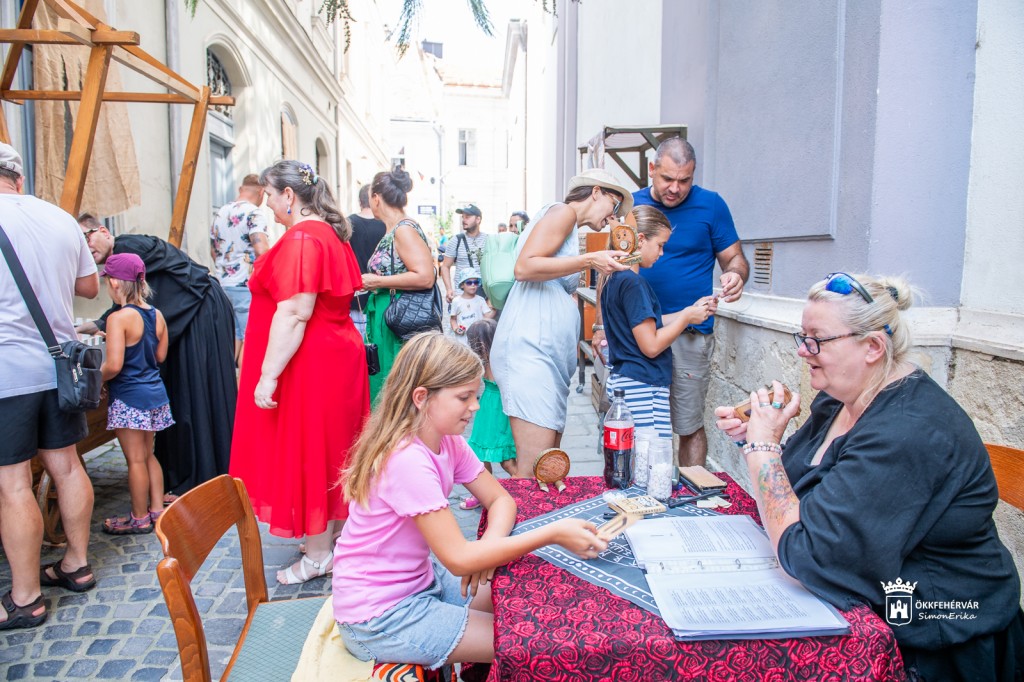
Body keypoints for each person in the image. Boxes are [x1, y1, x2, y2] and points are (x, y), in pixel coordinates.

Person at [714, 272, 1024, 681]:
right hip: (871, 614)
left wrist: (762, 447)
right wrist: (756, 438)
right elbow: (801, 491)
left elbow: (808, 556)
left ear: (873, 347)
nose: (803, 351)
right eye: (802, 336)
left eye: (817, 340)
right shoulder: (840, 399)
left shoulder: (907, 431)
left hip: (938, 643)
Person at [333, 332, 607, 669]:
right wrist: (553, 533)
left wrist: (488, 550)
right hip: (380, 618)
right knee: (530, 640)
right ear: (422, 397)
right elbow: (460, 559)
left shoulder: (447, 441)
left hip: (421, 582)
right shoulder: (407, 460)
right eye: (464, 397)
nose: (475, 406)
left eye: (474, 396)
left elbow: (501, 499)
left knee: (526, 598)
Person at [229, 160, 369, 584]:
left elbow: (294, 312)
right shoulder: (328, 233)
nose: (268, 205)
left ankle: (320, 554)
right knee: (332, 448)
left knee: (312, 451)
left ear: (289, 195)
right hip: (332, 355)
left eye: (271, 195)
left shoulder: (304, 238)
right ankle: (332, 536)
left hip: (311, 362)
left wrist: (267, 375)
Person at [595, 137, 749, 468]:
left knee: (687, 424)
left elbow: (734, 258)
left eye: (684, 180)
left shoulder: (711, 205)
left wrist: (736, 274)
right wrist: (599, 326)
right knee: (639, 429)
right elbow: (607, 266)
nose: (675, 188)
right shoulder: (629, 207)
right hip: (636, 336)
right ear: (652, 169)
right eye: (667, 178)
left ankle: (690, 488)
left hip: (688, 336)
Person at [0, 143, 99, 630]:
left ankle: (26, 598)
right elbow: (89, 287)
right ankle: (76, 564)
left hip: (7, 370)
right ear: (19, 178)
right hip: (60, 364)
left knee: (14, 483)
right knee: (67, 465)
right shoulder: (60, 218)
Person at [78, 214, 237, 497]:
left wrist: (105, 326)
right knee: (189, 393)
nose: (85, 246)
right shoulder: (125, 262)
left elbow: (130, 302)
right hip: (193, 312)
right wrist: (96, 324)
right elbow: (133, 302)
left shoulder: (127, 246)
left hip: (200, 312)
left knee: (196, 392)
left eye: (86, 237)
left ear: (103, 230)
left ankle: (203, 474)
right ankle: (202, 471)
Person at [491, 168, 631, 477]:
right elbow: (524, 268)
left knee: (548, 469)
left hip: (543, 355)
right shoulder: (563, 212)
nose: (614, 216)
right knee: (533, 472)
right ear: (596, 192)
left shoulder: (567, 224)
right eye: (615, 204)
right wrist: (590, 259)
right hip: (531, 352)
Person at [600, 206, 716, 438]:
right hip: (643, 386)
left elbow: (643, 325)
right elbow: (651, 345)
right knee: (651, 456)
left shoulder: (615, 279)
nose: (661, 253)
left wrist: (690, 311)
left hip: (626, 382)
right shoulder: (634, 283)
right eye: (660, 245)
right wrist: (686, 318)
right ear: (641, 240)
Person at [98, 253, 173, 535]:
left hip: (129, 397)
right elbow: (160, 356)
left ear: (115, 282)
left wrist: (95, 379)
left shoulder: (118, 318)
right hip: (154, 394)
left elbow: (114, 366)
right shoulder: (157, 314)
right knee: (148, 455)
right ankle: (157, 510)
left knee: (135, 460)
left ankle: (139, 518)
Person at [361, 167, 436, 404]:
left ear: (376, 198)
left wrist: (378, 281)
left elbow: (425, 276)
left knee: (394, 388)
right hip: (387, 315)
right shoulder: (395, 229)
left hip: (397, 318)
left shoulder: (403, 229)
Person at [210, 173, 270, 363]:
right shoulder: (254, 213)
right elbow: (261, 249)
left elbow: (213, 251)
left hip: (222, 284)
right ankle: (244, 382)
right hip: (245, 285)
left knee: (233, 335)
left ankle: (228, 379)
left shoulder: (221, 212)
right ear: (261, 192)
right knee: (250, 339)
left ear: (241, 189)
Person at [459, 319, 516, 510]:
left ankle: (523, 486)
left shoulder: (495, 361)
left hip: (497, 409)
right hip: (488, 408)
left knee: (505, 458)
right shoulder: (491, 359)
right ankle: (484, 492)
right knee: (480, 454)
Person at [347, 184, 386, 338]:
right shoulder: (386, 225)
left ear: (359, 201)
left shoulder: (347, 223)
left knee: (360, 341)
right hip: (381, 293)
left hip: (355, 294)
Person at [441, 203, 487, 304]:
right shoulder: (456, 240)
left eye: (468, 217)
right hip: (461, 297)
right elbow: (445, 266)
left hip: (483, 296)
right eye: (463, 217)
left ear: (478, 219)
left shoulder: (488, 240)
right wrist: (449, 289)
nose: (463, 220)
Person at [449, 267, 493, 344]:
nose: (473, 285)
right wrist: (456, 329)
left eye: (475, 282)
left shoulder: (480, 300)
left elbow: (487, 317)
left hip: (478, 338)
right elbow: (453, 319)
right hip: (462, 339)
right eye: (469, 283)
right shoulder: (456, 301)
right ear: (462, 285)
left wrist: (495, 306)